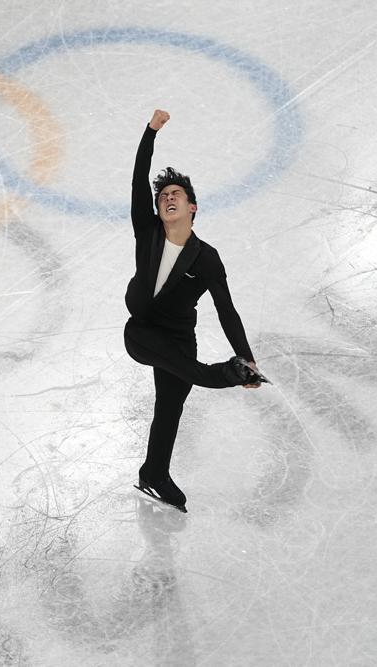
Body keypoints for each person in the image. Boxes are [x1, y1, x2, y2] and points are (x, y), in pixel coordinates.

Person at [124, 109, 266, 513]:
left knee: (170, 406)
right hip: (142, 332)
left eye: (176, 195)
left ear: (193, 208)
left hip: (179, 335)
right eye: (163, 196)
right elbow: (138, 179)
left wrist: (248, 353)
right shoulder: (147, 230)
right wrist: (150, 133)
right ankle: (226, 374)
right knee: (197, 374)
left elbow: (226, 310)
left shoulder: (206, 258)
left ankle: (153, 472)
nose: (168, 198)